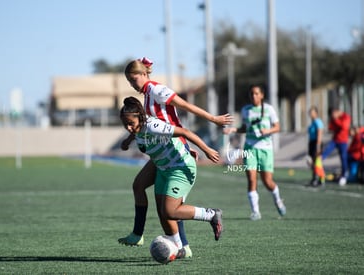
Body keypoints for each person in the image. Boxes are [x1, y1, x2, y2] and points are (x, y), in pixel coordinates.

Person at [118, 57, 233, 256]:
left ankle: (207, 219)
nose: (132, 84)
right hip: (162, 152)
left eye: (134, 79)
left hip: (175, 151)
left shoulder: (156, 90)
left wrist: (213, 119)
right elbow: (140, 123)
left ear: (144, 74)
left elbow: (185, 106)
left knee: (170, 208)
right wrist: (129, 139)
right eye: (129, 81)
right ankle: (179, 246)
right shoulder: (146, 95)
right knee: (157, 202)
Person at [223, 84, 286, 221]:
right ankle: (255, 212)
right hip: (250, 148)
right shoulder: (246, 110)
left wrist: (268, 131)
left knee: (268, 181)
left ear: (262, 95)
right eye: (252, 94)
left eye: (257, 93)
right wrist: (233, 130)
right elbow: (245, 128)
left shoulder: (269, 109)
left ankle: (277, 199)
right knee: (252, 179)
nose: (254, 96)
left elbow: (277, 127)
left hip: (265, 149)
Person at [321, 107, 351, 186]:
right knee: (325, 152)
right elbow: (330, 127)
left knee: (343, 158)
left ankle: (344, 176)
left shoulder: (346, 117)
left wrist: (336, 120)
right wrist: (334, 120)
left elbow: (344, 127)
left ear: (337, 112)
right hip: (335, 140)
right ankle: (318, 167)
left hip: (343, 142)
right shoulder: (334, 119)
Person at [307, 106, 325, 186]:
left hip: (316, 143)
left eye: (312, 112)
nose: (311, 114)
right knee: (311, 161)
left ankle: (318, 178)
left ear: (316, 113)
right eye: (310, 113)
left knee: (316, 162)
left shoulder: (318, 122)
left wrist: (318, 146)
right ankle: (315, 177)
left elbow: (319, 133)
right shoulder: (312, 122)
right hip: (312, 143)